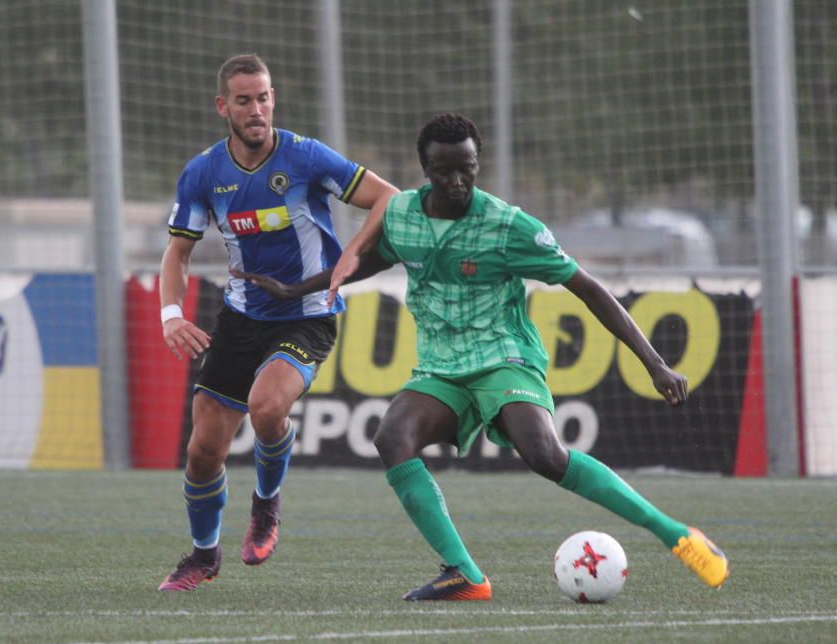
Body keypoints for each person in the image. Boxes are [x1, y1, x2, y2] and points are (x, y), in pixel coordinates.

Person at [233, 112, 729, 601]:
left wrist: (655, 363)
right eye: (444, 171)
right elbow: (377, 257)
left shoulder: (510, 226)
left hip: (504, 358)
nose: (457, 181)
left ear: (477, 163)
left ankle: (677, 536)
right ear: (424, 169)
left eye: (466, 168)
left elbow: (589, 289)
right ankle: (464, 574)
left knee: (545, 455)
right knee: (392, 438)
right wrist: (296, 289)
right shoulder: (402, 212)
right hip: (440, 366)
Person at [156, 54, 398, 592]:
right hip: (242, 317)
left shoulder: (305, 157)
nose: (257, 109)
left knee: (268, 407)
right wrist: (171, 316)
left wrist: (351, 254)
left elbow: (388, 197)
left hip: (307, 316)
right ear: (224, 107)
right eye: (244, 100)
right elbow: (178, 255)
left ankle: (266, 506)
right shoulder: (203, 173)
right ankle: (203, 555)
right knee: (202, 451)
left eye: (264, 97)